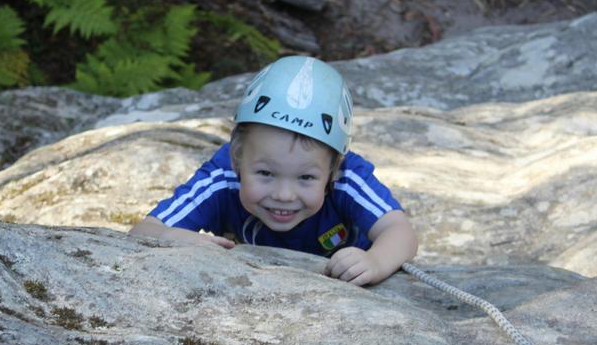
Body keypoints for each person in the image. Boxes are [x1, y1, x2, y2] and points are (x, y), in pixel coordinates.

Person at [130, 56, 418, 286]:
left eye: (306, 177)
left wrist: (375, 262)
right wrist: (172, 237)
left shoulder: (347, 178)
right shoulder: (222, 179)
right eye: (266, 174)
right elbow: (144, 231)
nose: (283, 195)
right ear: (237, 159)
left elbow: (399, 230)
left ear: (333, 169)